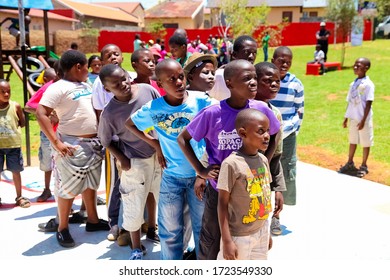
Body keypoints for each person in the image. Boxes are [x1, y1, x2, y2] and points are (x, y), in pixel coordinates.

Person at [177, 59, 280, 260]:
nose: (253, 82)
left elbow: (275, 133)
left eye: (254, 78)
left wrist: (264, 161)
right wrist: (201, 171)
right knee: (212, 241)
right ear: (230, 83)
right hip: (219, 190)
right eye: (246, 78)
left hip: (250, 191)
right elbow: (182, 139)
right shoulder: (213, 113)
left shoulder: (261, 109)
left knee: (246, 242)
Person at [126, 59, 214, 260]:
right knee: (170, 231)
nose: (178, 83)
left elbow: (222, 114)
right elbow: (130, 124)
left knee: (202, 230)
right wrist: (156, 145)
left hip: (198, 177)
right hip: (171, 178)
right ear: (160, 84)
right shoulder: (154, 108)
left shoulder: (201, 101)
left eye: (181, 77)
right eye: (171, 79)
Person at [36, 50, 110, 248]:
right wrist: (57, 143)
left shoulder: (85, 85)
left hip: (93, 145)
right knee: (66, 188)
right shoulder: (58, 87)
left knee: (90, 184)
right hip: (71, 145)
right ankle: (63, 227)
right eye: (86, 66)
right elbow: (41, 113)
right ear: (78, 67)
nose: (88, 70)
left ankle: (92, 220)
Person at [98, 64, 161, 260]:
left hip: (160, 154)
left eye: (124, 78)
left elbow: (163, 113)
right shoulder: (109, 113)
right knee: (134, 200)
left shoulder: (147, 90)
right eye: (116, 84)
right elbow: (105, 141)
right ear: (107, 89)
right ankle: (135, 245)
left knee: (160, 196)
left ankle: (153, 228)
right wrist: (121, 157)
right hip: (134, 159)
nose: (123, 84)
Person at [217, 108, 273, 260]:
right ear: (243, 133)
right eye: (261, 131)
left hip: (261, 231)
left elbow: (264, 196)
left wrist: (266, 232)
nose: (267, 136)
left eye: (267, 131)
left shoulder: (263, 160)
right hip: (239, 236)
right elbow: (222, 204)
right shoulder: (231, 164)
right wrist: (227, 240)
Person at [92, 44, 128, 243]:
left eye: (116, 53)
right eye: (108, 55)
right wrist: (105, 140)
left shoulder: (129, 77)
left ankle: (140, 221)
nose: (113, 56)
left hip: (134, 140)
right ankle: (114, 222)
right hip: (114, 141)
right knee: (115, 183)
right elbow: (99, 114)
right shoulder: (99, 84)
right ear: (103, 61)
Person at [270, 46, 304, 206]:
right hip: (267, 135)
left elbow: (299, 111)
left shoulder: (295, 84)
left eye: (288, 62)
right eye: (281, 61)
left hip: (288, 135)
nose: (284, 65)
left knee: (287, 169)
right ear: (272, 61)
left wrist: (292, 130)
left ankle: (278, 215)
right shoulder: (265, 80)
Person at [254, 62, 286, 236]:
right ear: (255, 81)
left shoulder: (276, 114)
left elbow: (276, 156)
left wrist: (278, 188)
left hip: (261, 181)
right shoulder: (241, 109)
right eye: (268, 80)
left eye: (277, 81)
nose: (274, 84)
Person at [25, 68, 59, 203]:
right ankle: (47, 189)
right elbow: (28, 106)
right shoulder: (47, 88)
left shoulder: (70, 85)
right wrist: (47, 114)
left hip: (65, 132)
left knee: (64, 165)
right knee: (47, 163)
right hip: (48, 133)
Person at [338, 57, 374, 178]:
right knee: (352, 140)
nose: (355, 67)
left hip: (364, 118)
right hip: (353, 118)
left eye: (358, 66)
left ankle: (364, 165)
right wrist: (346, 117)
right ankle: (350, 162)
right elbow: (350, 101)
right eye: (354, 65)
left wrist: (363, 120)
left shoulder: (368, 84)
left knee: (365, 141)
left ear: (366, 68)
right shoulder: (353, 84)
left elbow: (369, 103)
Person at [0, 79, 30, 208]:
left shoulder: (15, 106)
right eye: (2, 92)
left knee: (16, 171)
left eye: (8, 91)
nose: (6, 94)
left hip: (13, 146)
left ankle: (19, 197)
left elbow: (22, 123)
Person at [209, 35, 258, 101]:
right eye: (246, 52)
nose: (251, 56)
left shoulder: (257, 77)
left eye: (254, 53)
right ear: (234, 55)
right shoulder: (219, 76)